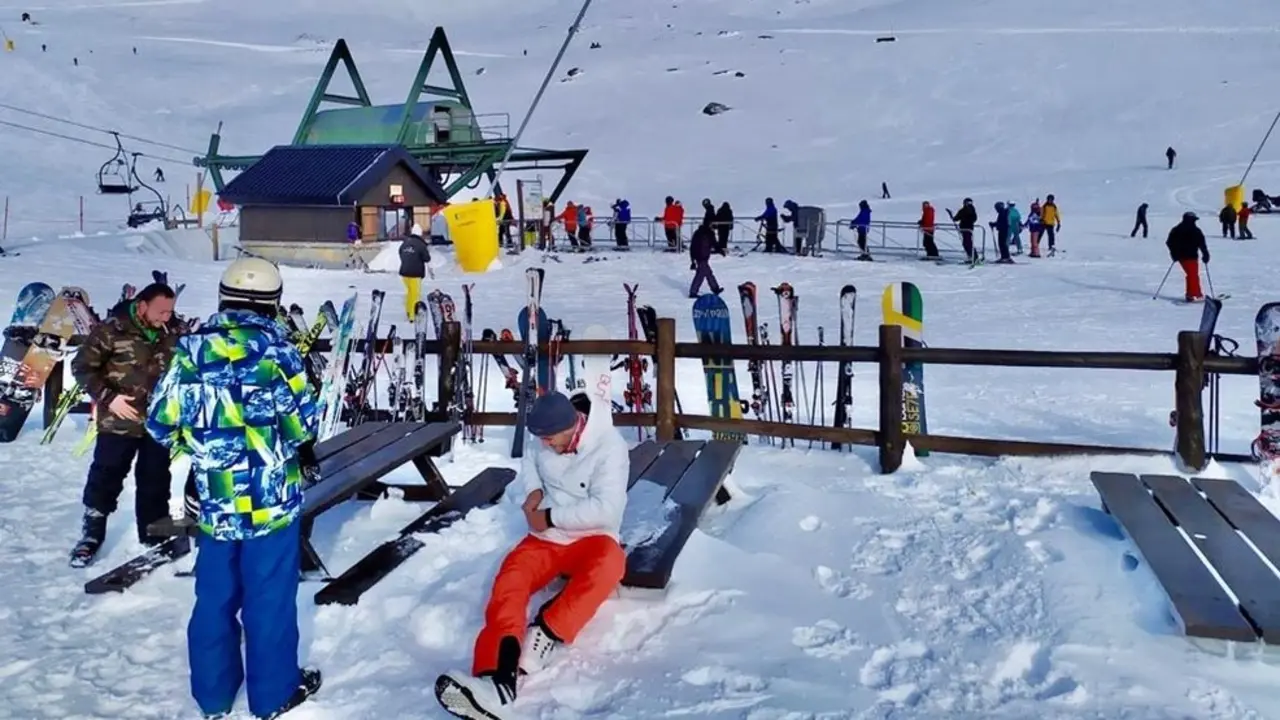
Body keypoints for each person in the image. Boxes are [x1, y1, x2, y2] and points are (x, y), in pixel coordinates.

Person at [146, 258, 323, 720]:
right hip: (271, 502)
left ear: (224, 297)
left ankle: (214, 695)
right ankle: (273, 696)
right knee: (269, 598)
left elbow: (159, 424)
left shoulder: (189, 352)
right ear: (273, 303)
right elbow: (304, 425)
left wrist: (201, 445)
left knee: (215, 595)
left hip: (215, 500)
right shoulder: (280, 353)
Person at [435, 392, 628, 719]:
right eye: (543, 439)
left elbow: (607, 510)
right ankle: (495, 682)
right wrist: (533, 490)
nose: (547, 445)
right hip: (546, 538)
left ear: (572, 426)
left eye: (552, 439)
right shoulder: (544, 438)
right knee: (510, 579)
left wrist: (550, 516)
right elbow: (530, 460)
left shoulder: (609, 446)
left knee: (611, 565)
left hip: (591, 536)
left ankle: (548, 630)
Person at [68, 282, 182, 568]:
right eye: (161, 311)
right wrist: (108, 397)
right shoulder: (112, 329)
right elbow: (82, 367)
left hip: (157, 421)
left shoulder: (174, 331)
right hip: (118, 421)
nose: (166, 317)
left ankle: (154, 533)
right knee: (106, 475)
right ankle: (92, 534)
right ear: (142, 305)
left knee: (155, 478)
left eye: (170, 311)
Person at [1166, 212, 1210, 302]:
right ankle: (1194, 294)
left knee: (1191, 274)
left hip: (1183, 256)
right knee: (1193, 275)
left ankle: (1191, 294)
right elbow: (1202, 243)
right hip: (1190, 256)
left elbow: (1169, 242)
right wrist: (1205, 254)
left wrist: (1174, 253)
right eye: (1194, 220)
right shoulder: (1195, 230)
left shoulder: (1177, 229)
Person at [399, 223, 432, 320]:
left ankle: (408, 311)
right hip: (415, 273)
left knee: (409, 293)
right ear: (420, 233)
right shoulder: (421, 244)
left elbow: (400, 252)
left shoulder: (405, 243)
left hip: (404, 272)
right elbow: (427, 258)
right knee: (415, 294)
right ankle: (413, 316)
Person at [688, 221, 723, 297]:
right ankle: (693, 292)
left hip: (701, 257)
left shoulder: (699, 233)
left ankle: (715, 288)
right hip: (701, 257)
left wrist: (692, 259)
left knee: (707, 273)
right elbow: (714, 244)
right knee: (701, 275)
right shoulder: (707, 234)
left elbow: (692, 247)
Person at [947, 198, 978, 263]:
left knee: (967, 243)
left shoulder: (966, 210)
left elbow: (956, 218)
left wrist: (952, 216)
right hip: (967, 228)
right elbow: (974, 219)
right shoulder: (971, 210)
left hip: (966, 228)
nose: (968, 204)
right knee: (968, 242)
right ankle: (973, 256)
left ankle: (973, 257)